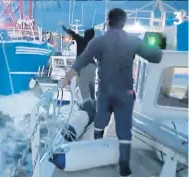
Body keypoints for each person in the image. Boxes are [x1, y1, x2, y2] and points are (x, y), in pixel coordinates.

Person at [58, 8, 163, 176]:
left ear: (108, 22)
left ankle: (96, 152)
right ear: (123, 23)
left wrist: (67, 78)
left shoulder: (97, 42)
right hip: (125, 93)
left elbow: (81, 61)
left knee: (99, 123)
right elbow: (156, 57)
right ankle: (124, 165)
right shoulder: (133, 41)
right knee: (124, 129)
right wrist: (157, 48)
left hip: (106, 92)